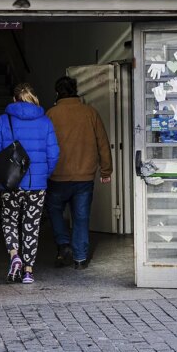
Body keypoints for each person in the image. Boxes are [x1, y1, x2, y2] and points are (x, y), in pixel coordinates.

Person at [0, 83, 59, 284]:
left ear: (14, 100)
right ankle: (28, 271)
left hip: (10, 183)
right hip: (36, 185)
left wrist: (1, 175)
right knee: (31, 225)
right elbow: (54, 154)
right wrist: (43, 174)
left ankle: (14, 256)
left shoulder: (3, 120)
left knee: (9, 220)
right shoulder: (45, 122)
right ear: (33, 99)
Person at [46, 76, 112, 270]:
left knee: (55, 211)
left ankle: (63, 245)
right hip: (84, 177)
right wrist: (106, 169)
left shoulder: (51, 114)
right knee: (81, 217)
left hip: (57, 176)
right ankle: (80, 258)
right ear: (75, 91)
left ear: (57, 93)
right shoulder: (90, 112)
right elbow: (103, 143)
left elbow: (44, 145)